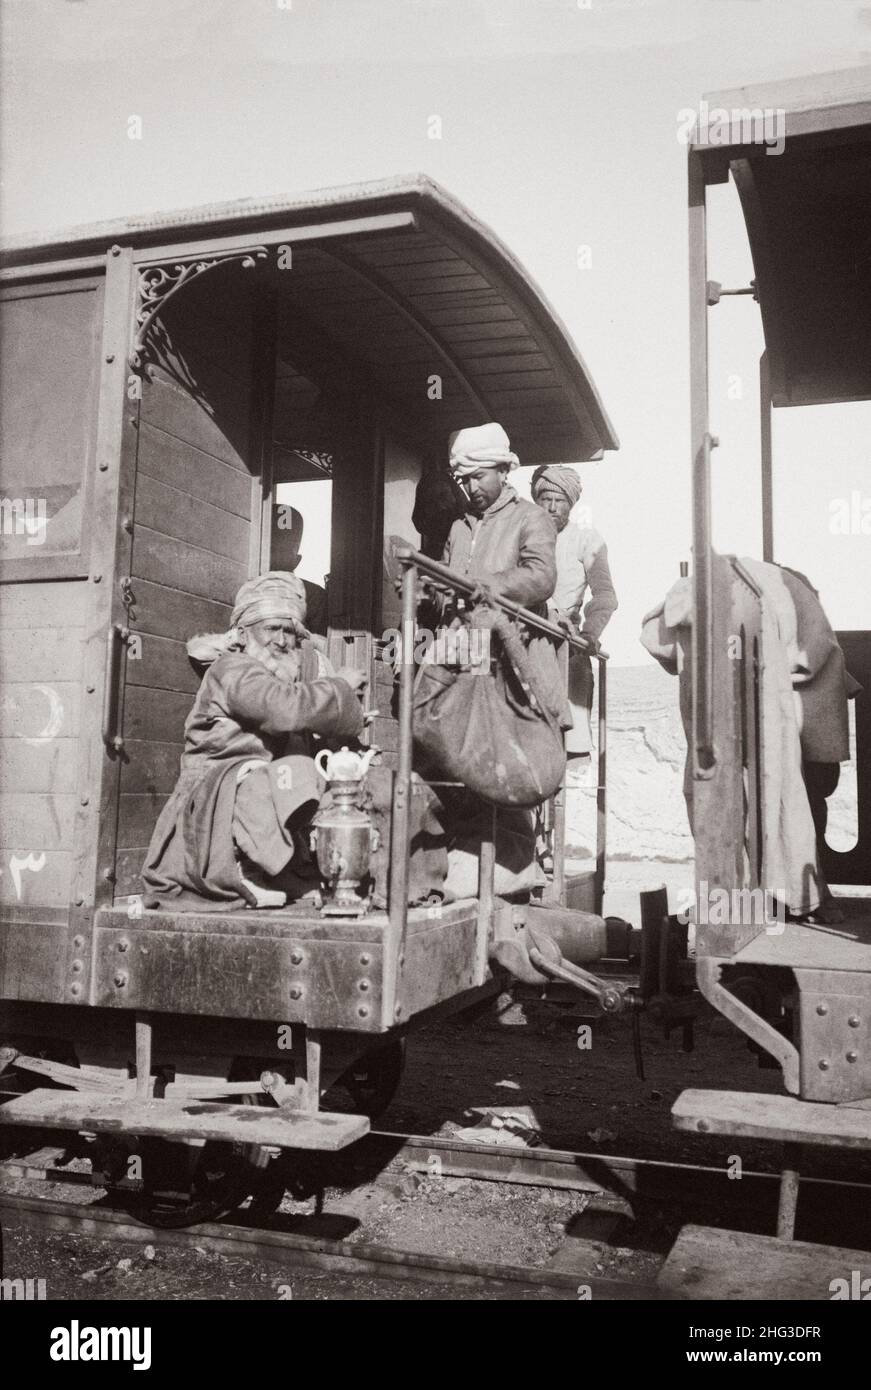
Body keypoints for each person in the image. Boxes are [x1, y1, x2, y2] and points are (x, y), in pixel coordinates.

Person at [142, 572, 366, 912]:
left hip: (245, 802)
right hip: (212, 807)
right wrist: (340, 689)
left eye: (288, 630)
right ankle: (240, 871)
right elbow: (284, 710)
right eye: (270, 628)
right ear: (243, 633)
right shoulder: (234, 669)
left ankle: (282, 870)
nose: (280, 639)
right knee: (294, 771)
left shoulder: (279, 677)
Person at [531, 464, 617, 779]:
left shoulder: (586, 540)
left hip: (564, 642)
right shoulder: (522, 536)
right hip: (522, 630)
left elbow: (605, 595)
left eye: (560, 500)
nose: (552, 507)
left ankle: (574, 746)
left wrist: (590, 634)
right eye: (546, 499)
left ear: (571, 503)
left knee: (577, 668)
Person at [271, 504, 328, 636]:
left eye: (284, 551)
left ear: (297, 559)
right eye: (274, 549)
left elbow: (318, 641)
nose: (278, 556)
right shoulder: (250, 589)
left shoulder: (314, 595)